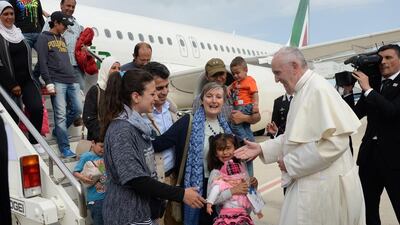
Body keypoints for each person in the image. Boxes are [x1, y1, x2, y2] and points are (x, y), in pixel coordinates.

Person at [234, 47, 365, 225]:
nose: (276, 79)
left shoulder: (318, 89)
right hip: (312, 182)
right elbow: (295, 136)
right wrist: (261, 147)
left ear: (294, 66)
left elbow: (336, 142)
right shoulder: (301, 91)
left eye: (277, 73)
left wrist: (290, 162)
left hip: (324, 188)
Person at [100, 69, 205, 225]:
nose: (156, 98)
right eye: (151, 94)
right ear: (136, 97)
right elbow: (136, 179)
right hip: (127, 215)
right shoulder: (122, 131)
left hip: (141, 211)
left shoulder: (136, 126)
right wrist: (181, 194)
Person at [184, 82, 249, 225]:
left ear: (223, 101)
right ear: (202, 100)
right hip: (200, 186)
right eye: (209, 96)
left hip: (225, 187)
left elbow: (238, 154)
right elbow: (161, 144)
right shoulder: (188, 123)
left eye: (218, 97)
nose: (214, 100)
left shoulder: (226, 126)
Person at [351, 44, 400, 225]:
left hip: (395, 160)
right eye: (381, 59)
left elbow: (392, 112)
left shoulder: (372, 88)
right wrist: (349, 91)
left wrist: (368, 89)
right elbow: (354, 115)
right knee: (368, 210)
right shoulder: (374, 85)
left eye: (389, 58)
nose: (383, 62)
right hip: (370, 158)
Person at [36, 11, 82, 158]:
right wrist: (48, 82)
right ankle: (64, 148)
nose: (66, 28)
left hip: (71, 79)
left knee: (77, 109)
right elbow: (42, 62)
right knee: (60, 116)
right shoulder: (43, 38)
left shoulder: (61, 38)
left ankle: (58, 131)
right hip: (57, 81)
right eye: (64, 25)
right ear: (55, 23)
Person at [0, 1, 43, 147]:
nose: (9, 17)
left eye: (11, 14)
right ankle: (12, 146)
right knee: (11, 114)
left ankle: (35, 142)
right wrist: (12, 84)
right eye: (5, 14)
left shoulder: (18, 33)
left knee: (37, 108)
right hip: (8, 84)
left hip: (27, 80)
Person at [192, 58, 261, 135]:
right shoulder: (199, 100)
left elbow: (257, 117)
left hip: (234, 143)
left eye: (221, 74)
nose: (218, 78)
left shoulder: (235, 93)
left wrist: (244, 118)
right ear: (207, 76)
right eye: (214, 75)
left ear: (226, 73)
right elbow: (195, 126)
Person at [206, 133, 261, 225]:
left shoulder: (241, 166)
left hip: (244, 217)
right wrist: (232, 191)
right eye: (220, 149)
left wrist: (253, 184)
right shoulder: (216, 173)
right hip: (226, 219)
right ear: (215, 153)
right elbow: (212, 200)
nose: (225, 153)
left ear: (235, 148)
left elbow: (247, 190)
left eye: (228, 148)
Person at [42, 0, 85, 91]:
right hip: (59, 67)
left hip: (75, 66)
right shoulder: (52, 20)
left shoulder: (76, 24)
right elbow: (44, 39)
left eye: (73, 7)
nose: (71, 9)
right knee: (61, 99)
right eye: (68, 6)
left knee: (80, 96)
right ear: (61, 5)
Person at [83, 56, 120, 141]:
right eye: (114, 68)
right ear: (105, 70)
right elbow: (89, 118)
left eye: (119, 68)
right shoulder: (95, 91)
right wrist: (103, 137)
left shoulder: (120, 91)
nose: (117, 71)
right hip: (98, 142)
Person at [73, 138, 106, 225]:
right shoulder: (87, 156)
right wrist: (83, 178)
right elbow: (76, 172)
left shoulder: (105, 156)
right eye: (101, 146)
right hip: (95, 200)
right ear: (93, 143)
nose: (103, 149)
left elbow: (103, 172)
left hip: (108, 197)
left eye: (105, 147)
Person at [228, 56, 259, 142]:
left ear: (246, 70)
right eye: (233, 74)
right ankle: (251, 141)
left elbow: (255, 93)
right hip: (240, 106)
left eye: (238, 73)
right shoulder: (236, 82)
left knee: (235, 124)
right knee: (245, 126)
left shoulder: (250, 80)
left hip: (247, 106)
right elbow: (231, 86)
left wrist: (255, 105)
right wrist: (228, 89)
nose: (235, 76)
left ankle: (245, 141)